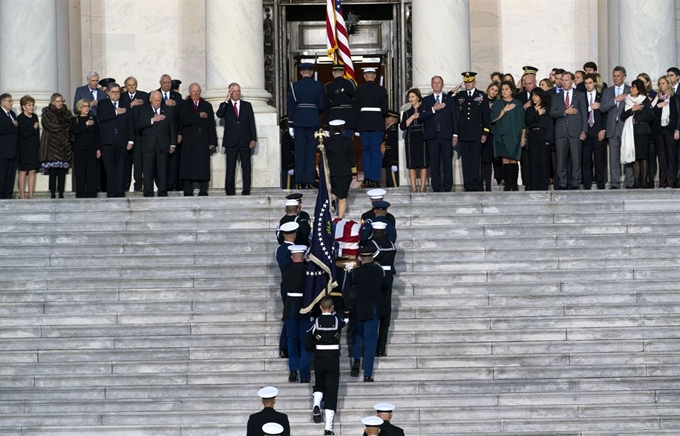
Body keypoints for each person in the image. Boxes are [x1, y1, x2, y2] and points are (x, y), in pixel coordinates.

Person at [307, 296, 345, 435]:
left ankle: (316, 404)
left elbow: (307, 340)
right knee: (332, 391)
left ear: (320, 308)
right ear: (333, 307)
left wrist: (315, 349)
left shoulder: (315, 322)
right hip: (333, 357)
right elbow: (343, 322)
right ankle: (328, 428)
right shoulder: (337, 321)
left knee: (319, 383)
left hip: (320, 357)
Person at [347, 244, 385, 382]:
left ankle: (356, 360)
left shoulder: (354, 273)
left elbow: (348, 288)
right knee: (370, 342)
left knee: (357, 336)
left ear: (360, 258)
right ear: (372, 257)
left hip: (358, 308)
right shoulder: (378, 271)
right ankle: (368, 374)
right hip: (373, 308)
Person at [287, 62, 325, 189]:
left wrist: (290, 124)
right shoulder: (318, 86)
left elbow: (291, 106)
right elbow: (321, 106)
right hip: (313, 120)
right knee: (311, 152)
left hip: (298, 121)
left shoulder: (294, 86)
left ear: (301, 72)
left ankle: (300, 180)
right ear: (312, 73)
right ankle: (309, 180)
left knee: (299, 151)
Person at [217, 82, 257, 196]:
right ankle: (229, 190)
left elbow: (251, 123)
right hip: (231, 141)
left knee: (246, 167)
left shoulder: (247, 105)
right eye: (234, 91)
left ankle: (246, 190)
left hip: (245, 140)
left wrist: (253, 139)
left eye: (238, 91)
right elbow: (219, 114)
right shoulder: (225, 105)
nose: (236, 93)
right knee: (230, 167)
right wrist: (226, 100)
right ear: (230, 92)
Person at [419, 75, 459, 192]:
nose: (436, 85)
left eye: (438, 82)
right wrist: (433, 109)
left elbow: (454, 118)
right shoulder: (427, 100)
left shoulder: (449, 100)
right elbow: (421, 116)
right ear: (431, 85)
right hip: (432, 136)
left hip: (446, 136)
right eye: (434, 83)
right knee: (434, 163)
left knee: (447, 162)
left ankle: (447, 186)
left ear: (443, 85)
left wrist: (455, 134)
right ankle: (436, 187)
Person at [550, 71, 587, 190]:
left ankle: (576, 183)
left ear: (572, 81)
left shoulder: (580, 95)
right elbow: (552, 113)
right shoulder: (556, 96)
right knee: (561, 159)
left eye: (567, 80)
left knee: (576, 159)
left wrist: (584, 131)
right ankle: (562, 183)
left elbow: (584, 114)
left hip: (575, 131)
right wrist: (565, 112)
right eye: (563, 80)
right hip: (561, 132)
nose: (564, 82)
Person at [178, 83, 217, 196]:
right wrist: (198, 116)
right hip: (188, 140)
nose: (196, 94)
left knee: (202, 165)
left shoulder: (207, 105)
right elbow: (184, 120)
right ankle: (188, 189)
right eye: (193, 92)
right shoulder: (184, 105)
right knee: (187, 165)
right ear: (189, 92)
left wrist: (212, 142)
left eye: (197, 91)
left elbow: (211, 124)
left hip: (202, 139)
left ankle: (203, 189)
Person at [136, 90, 176, 197]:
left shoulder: (167, 110)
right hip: (148, 145)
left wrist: (173, 144)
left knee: (162, 169)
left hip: (163, 144)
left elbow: (172, 127)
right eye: (155, 100)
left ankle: (162, 191)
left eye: (159, 100)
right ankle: (148, 192)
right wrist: (152, 120)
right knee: (148, 170)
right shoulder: (143, 110)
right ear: (150, 100)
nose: (157, 103)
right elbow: (139, 125)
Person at [455, 71, 490, 192]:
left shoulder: (481, 96)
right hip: (464, 133)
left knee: (476, 160)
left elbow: (486, 115)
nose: (468, 84)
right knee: (466, 161)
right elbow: (449, 101)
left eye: (470, 82)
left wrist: (485, 132)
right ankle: (468, 184)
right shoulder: (460, 95)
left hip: (476, 134)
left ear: (474, 82)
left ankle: (476, 183)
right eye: (466, 82)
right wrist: (454, 89)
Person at [98, 82, 134, 197]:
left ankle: (120, 190)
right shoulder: (103, 104)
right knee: (109, 167)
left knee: (121, 167)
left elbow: (130, 123)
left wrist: (131, 140)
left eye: (117, 92)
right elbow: (101, 117)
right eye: (113, 92)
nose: (115, 94)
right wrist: (115, 112)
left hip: (122, 141)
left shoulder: (125, 104)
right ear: (108, 93)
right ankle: (111, 190)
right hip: (108, 141)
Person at [354, 67, 388, 188]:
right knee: (376, 151)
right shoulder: (381, 90)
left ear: (364, 76)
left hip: (363, 123)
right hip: (377, 123)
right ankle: (375, 178)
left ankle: (367, 178)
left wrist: (356, 127)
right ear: (374, 76)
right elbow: (384, 110)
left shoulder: (359, 90)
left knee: (366, 151)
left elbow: (356, 110)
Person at [282, 244, 312, 383]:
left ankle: (293, 371)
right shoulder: (308, 271)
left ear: (292, 256)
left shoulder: (286, 270)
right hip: (305, 306)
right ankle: (305, 375)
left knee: (292, 340)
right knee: (304, 341)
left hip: (291, 306)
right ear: (303, 256)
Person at [600, 66, 633, 189]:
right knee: (614, 157)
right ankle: (615, 182)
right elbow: (602, 108)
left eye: (618, 76)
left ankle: (629, 182)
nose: (615, 78)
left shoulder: (630, 90)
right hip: (612, 127)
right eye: (614, 75)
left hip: (626, 127)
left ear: (624, 77)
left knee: (627, 155)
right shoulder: (607, 91)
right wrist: (615, 100)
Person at [367, 221, 396, 357]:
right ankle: (381, 348)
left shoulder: (371, 244)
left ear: (373, 231)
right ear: (384, 231)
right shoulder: (390, 244)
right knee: (386, 313)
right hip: (388, 278)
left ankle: (371, 346)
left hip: (375, 278)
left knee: (374, 312)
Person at [491, 81, 525, 191]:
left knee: (514, 159)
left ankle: (514, 185)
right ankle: (507, 184)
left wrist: (523, 137)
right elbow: (493, 118)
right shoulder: (498, 104)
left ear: (511, 90)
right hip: (501, 136)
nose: (504, 91)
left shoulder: (518, 104)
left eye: (507, 89)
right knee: (505, 160)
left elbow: (522, 122)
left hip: (515, 135)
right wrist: (504, 110)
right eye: (503, 89)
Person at [621, 79, 655, 189]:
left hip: (642, 131)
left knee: (643, 157)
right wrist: (632, 109)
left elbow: (651, 114)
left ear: (638, 89)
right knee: (635, 157)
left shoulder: (644, 100)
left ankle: (644, 181)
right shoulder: (627, 100)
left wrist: (637, 118)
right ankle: (636, 181)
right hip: (631, 132)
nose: (631, 89)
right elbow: (622, 116)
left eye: (633, 87)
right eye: (631, 87)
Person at [40, 93, 73, 199]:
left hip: (64, 144)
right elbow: (49, 125)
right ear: (53, 102)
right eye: (57, 101)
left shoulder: (67, 113)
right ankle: (53, 192)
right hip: (51, 144)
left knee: (62, 171)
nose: (60, 103)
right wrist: (62, 127)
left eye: (61, 101)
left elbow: (70, 125)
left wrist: (64, 130)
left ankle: (61, 192)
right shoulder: (47, 112)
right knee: (53, 171)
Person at [120, 76, 149, 192]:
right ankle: (125, 186)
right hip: (125, 134)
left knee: (138, 162)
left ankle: (138, 185)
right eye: (129, 85)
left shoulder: (144, 95)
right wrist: (131, 105)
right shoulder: (121, 97)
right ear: (125, 86)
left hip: (139, 134)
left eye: (133, 85)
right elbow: (120, 111)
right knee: (125, 162)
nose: (131, 87)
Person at [275, 221, 299, 359]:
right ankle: (285, 345)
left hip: (285, 285)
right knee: (291, 317)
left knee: (289, 316)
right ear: (294, 234)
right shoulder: (295, 250)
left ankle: (285, 347)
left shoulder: (278, 249)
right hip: (295, 287)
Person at [325, 119, 357, 219]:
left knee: (334, 190)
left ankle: (333, 200)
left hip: (332, 171)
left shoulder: (327, 141)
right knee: (343, 196)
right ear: (342, 129)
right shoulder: (348, 140)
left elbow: (325, 157)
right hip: (345, 171)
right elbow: (352, 157)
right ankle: (340, 217)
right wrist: (354, 171)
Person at [653, 75, 680, 188]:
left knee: (671, 155)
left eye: (663, 83)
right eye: (660, 84)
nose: (661, 85)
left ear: (668, 84)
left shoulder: (675, 97)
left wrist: (677, 129)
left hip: (670, 129)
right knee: (662, 156)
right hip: (659, 130)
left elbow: (678, 114)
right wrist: (658, 106)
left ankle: (671, 180)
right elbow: (650, 112)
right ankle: (662, 181)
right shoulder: (658, 97)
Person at [70, 99, 101, 198]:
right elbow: (74, 131)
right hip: (79, 149)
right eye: (84, 106)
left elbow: (97, 134)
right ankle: (80, 193)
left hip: (92, 148)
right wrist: (85, 125)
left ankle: (92, 193)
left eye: (88, 106)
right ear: (79, 108)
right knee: (80, 172)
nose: (86, 108)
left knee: (92, 171)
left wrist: (98, 149)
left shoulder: (94, 119)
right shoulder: (75, 119)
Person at [515, 66, 539, 190]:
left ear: (535, 81)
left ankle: (536, 183)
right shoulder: (519, 97)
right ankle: (526, 184)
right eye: (526, 84)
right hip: (524, 132)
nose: (528, 86)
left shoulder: (541, 94)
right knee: (525, 160)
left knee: (536, 159)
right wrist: (524, 106)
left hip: (537, 132)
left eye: (530, 83)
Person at [158, 74, 183, 191]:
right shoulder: (154, 94)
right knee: (159, 161)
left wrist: (179, 133)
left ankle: (171, 185)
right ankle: (161, 185)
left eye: (169, 83)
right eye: (165, 83)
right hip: (159, 134)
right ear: (160, 83)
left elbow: (180, 117)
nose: (167, 85)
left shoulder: (177, 96)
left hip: (173, 133)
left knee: (173, 161)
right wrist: (164, 104)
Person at [582, 73, 607, 190]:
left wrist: (603, 129)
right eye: (586, 83)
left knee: (599, 160)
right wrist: (590, 107)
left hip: (598, 131)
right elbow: (580, 113)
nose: (588, 85)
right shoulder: (581, 96)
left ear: (595, 83)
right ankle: (587, 185)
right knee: (586, 160)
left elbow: (605, 114)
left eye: (590, 83)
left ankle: (600, 184)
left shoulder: (602, 96)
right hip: (586, 131)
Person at [400, 88, 428, 192]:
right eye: (409, 97)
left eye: (413, 97)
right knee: (411, 164)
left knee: (423, 164)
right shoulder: (407, 112)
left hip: (422, 137)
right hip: (411, 138)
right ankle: (413, 187)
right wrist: (412, 117)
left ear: (418, 97)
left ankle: (422, 187)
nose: (411, 99)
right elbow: (403, 126)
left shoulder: (423, 110)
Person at [525, 88, 552, 191]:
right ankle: (534, 185)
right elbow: (528, 122)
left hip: (543, 135)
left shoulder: (547, 109)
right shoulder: (530, 109)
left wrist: (548, 139)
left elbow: (549, 124)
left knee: (544, 161)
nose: (534, 98)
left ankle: (543, 185)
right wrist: (537, 114)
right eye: (532, 96)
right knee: (534, 161)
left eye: (536, 95)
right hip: (532, 135)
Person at [16, 95, 40, 199]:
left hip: (33, 148)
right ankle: (22, 194)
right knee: (23, 171)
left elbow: (37, 134)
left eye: (32, 105)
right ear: (23, 106)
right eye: (29, 105)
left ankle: (30, 195)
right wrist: (33, 128)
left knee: (32, 171)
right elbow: (24, 134)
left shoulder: (34, 116)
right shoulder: (20, 118)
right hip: (24, 148)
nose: (31, 107)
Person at [324, 64, 356, 137]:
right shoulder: (350, 83)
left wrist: (326, 125)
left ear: (333, 73)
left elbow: (326, 105)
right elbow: (355, 99)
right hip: (348, 118)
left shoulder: (328, 86)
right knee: (347, 143)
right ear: (343, 73)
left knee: (335, 144)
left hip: (333, 117)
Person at [0, 93, 18, 199]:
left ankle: (8, 194)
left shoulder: (12, 114)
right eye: (9, 101)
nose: (11, 103)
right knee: (2, 173)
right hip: (3, 149)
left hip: (12, 149)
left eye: (12, 101)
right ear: (2, 102)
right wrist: (12, 125)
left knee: (11, 174)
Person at [486, 82, 502, 189]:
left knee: (496, 157)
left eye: (496, 91)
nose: (493, 92)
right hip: (484, 132)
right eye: (492, 89)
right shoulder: (481, 99)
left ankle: (499, 179)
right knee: (486, 159)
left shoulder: (498, 103)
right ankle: (486, 182)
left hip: (494, 132)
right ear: (488, 89)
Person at [382, 110, 400, 188]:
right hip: (388, 158)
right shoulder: (390, 129)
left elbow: (394, 146)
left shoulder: (393, 129)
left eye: (387, 117)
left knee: (393, 183)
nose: (386, 119)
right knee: (389, 181)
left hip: (391, 159)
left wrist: (394, 162)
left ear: (393, 118)